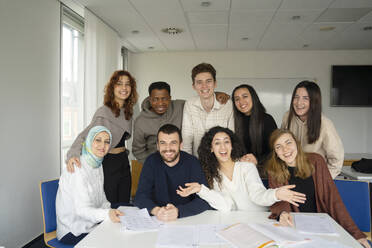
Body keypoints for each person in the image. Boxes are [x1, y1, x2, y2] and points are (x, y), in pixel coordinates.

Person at [265, 129, 369, 248]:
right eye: (278, 146)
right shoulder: (273, 170)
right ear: (275, 152)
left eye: (288, 142)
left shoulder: (316, 161)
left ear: (296, 143)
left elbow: (333, 199)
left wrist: (356, 234)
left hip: (322, 226)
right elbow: (280, 202)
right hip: (295, 229)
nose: (285, 149)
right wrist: (282, 213)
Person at [176, 126, 306, 212]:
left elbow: (258, 195)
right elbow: (226, 206)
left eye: (226, 142)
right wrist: (200, 190)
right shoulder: (213, 175)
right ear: (211, 149)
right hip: (237, 225)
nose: (223, 147)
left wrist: (276, 194)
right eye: (217, 143)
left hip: (262, 221)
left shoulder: (246, 167)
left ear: (232, 145)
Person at [66, 70, 138, 204]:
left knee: (124, 205)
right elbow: (84, 136)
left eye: (127, 84)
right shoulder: (104, 112)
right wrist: (72, 155)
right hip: (108, 164)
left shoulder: (128, 112)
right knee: (110, 207)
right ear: (112, 88)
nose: (124, 88)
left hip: (123, 162)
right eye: (119, 84)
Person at [56, 126, 124, 245]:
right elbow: (82, 210)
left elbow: (102, 200)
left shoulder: (97, 163)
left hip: (91, 224)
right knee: (115, 241)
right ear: (89, 141)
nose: (102, 145)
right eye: (98, 140)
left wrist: (111, 210)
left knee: (123, 219)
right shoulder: (77, 168)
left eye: (107, 142)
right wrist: (107, 214)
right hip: (73, 230)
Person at [134, 124, 211, 221]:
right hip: (158, 219)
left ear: (181, 145)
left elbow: (204, 200)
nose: (168, 148)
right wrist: (157, 210)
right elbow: (140, 197)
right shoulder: (151, 162)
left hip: (187, 219)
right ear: (157, 146)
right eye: (163, 143)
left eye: (173, 143)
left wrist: (178, 211)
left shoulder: (192, 162)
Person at [282, 80, 344, 179]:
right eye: (296, 97)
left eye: (305, 98)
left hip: (314, 179)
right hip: (291, 176)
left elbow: (336, 160)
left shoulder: (325, 124)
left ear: (314, 101)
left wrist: (322, 181)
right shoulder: (287, 117)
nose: (299, 103)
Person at [182, 63, 234, 156]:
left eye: (208, 81)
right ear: (193, 86)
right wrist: (188, 165)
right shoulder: (189, 104)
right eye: (199, 82)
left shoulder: (228, 105)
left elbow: (232, 138)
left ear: (215, 83)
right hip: (197, 161)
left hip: (222, 161)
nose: (204, 86)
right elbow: (187, 139)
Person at [232, 84, 277, 172]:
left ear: (253, 97)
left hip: (265, 171)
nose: (241, 102)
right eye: (237, 99)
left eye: (245, 96)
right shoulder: (234, 121)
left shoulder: (267, 119)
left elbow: (275, 149)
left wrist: (257, 160)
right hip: (243, 171)